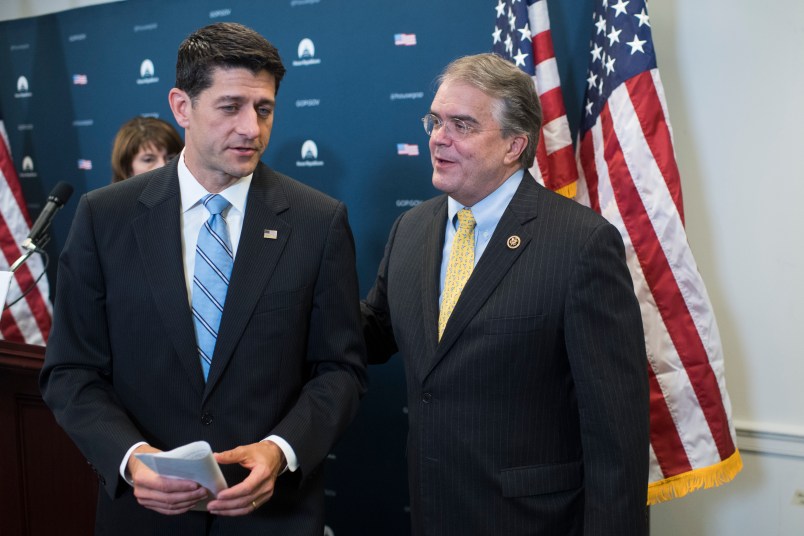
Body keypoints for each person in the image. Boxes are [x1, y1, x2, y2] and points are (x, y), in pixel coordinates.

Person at [41, 22, 367, 535]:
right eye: (230, 107)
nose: (251, 129)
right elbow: (70, 371)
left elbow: (340, 370)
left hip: (272, 517)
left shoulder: (317, 221)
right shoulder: (105, 218)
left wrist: (281, 452)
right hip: (143, 518)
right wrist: (130, 457)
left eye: (264, 109)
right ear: (181, 106)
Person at [362, 53, 649, 535]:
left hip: (531, 522)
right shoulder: (410, 229)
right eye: (435, 120)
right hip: (433, 511)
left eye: (462, 125)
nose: (437, 136)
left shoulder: (580, 244)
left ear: (514, 144)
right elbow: (371, 334)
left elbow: (615, 436)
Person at [111, 116, 184, 182]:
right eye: (149, 160)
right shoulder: (110, 197)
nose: (163, 165)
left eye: (171, 158)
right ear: (127, 168)